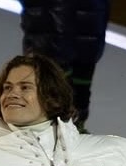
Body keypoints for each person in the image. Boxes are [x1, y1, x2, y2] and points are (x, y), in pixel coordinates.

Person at [20, 0, 111, 131]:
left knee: (82, 64)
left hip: (87, 17)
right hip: (53, 19)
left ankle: (73, 125)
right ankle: (55, 127)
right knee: (54, 69)